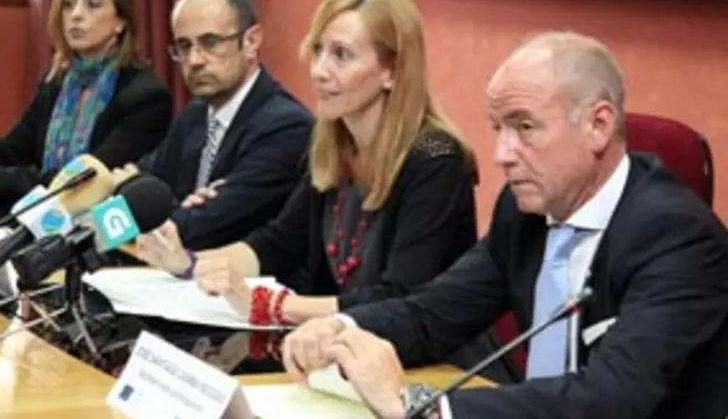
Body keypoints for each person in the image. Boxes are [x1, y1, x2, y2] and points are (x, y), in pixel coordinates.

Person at [280, 31, 728, 419]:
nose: (502, 154)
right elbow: (433, 315)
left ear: (598, 125)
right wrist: (345, 328)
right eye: (498, 129)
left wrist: (422, 405)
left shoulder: (678, 237)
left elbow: (613, 398)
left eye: (525, 127)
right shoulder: (525, 213)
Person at [136, 0, 478, 325]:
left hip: (429, 364)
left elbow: (399, 296)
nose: (318, 71)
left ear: (392, 70)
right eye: (318, 51)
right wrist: (189, 262)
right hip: (340, 346)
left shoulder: (437, 158)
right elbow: (278, 243)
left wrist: (272, 306)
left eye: (341, 55)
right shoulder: (332, 148)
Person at [118, 0, 314, 251]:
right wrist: (180, 206)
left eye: (210, 42)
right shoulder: (195, 115)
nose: (195, 60)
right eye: (183, 46)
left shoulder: (286, 127)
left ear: (251, 41)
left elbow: (201, 230)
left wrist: (172, 210)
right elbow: (134, 186)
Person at [0, 0, 172, 225]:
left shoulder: (146, 96)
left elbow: (79, 183)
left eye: (92, 4)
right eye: (69, 4)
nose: (76, 15)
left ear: (120, 22)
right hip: (41, 224)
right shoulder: (57, 82)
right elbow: (10, 150)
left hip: (98, 232)